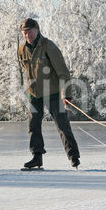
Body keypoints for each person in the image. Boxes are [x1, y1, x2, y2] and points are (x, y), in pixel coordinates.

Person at [17, 18, 81, 169]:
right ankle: (36, 157)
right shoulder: (22, 50)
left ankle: (74, 157)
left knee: (62, 125)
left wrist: (66, 93)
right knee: (33, 126)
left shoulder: (48, 46)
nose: (27, 35)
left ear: (37, 30)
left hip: (52, 92)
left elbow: (63, 72)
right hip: (34, 94)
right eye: (24, 33)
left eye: (30, 32)